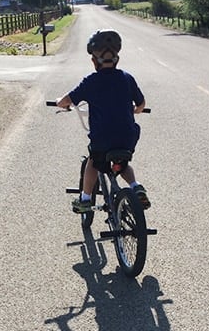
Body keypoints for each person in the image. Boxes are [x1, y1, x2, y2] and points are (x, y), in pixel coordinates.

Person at [56, 29, 151, 214]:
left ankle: (84, 199)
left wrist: (60, 102)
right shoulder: (127, 78)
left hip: (103, 139)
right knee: (122, 163)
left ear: (94, 61)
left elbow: (67, 100)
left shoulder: (91, 82)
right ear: (117, 59)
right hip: (127, 138)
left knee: (94, 161)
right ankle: (135, 186)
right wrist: (135, 110)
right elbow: (141, 104)